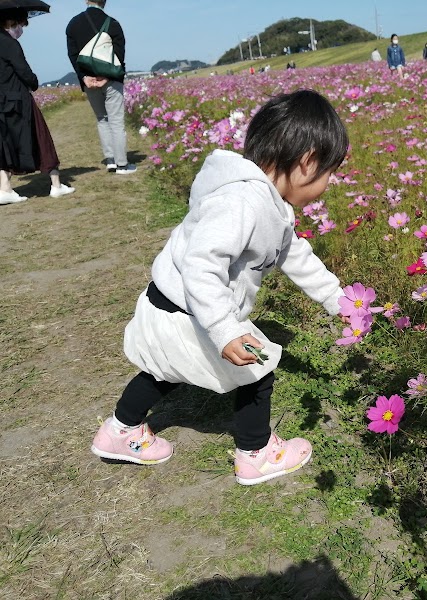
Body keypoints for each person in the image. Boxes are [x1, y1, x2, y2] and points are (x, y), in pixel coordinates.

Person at [90, 90, 349, 486]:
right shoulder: (242, 202)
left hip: (173, 303)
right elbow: (201, 264)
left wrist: (339, 300)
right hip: (190, 309)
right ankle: (256, 453)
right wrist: (227, 330)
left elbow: (293, 254)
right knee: (257, 371)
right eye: (330, 171)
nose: (330, 182)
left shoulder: (267, 202)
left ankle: (119, 430)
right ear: (307, 162)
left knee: (161, 371)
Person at [0, 9, 75, 204]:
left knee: (5, 144)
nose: (20, 29)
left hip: (1, 101)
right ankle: (56, 185)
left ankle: (5, 188)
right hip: (18, 98)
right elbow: (24, 71)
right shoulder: (10, 44)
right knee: (41, 138)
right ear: (10, 22)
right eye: (19, 25)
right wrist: (34, 82)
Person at [66, 0, 136, 174]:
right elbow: (119, 55)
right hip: (111, 79)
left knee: (101, 119)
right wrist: (108, 76)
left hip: (89, 80)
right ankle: (122, 164)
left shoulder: (73, 24)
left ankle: (110, 160)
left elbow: (72, 55)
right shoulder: (113, 23)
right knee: (116, 121)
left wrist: (84, 78)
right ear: (104, 1)